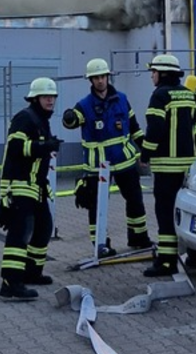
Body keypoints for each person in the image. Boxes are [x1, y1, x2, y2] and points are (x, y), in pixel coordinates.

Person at [61, 58, 152, 255]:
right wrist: (69, 117)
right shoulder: (84, 105)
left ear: (107, 77)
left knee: (135, 200)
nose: (100, 81)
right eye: (96, 78)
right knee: (96, 206)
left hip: (125, 162)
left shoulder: (122, 99)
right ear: (91, 81)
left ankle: (139, 238)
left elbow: (134, 128)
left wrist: (146, 150)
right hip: (97, 167)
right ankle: (100, 244)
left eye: (102, 76)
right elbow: (72, 121)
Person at [0, 77, 62, 301]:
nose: (50, 100)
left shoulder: (41, 120)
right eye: (46, 96)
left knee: (43, 228)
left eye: (52, 96)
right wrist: (44, 147)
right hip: (20, 184)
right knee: (20, 233)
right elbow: (15, 148)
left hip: (36, 186)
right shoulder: (25, 118)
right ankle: (10, 283)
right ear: (35, 98)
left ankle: (32, 273)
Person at [139, 54, 196, 277]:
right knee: (182, 211)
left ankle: (166, 262)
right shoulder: (188, 94)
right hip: (188, 166)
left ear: (162, 73)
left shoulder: (160, 96)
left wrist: (145, 154)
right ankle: (191, 254)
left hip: (166, 166)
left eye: (153, 72)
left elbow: (155, 129)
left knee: (164, 213)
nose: (151, 76)